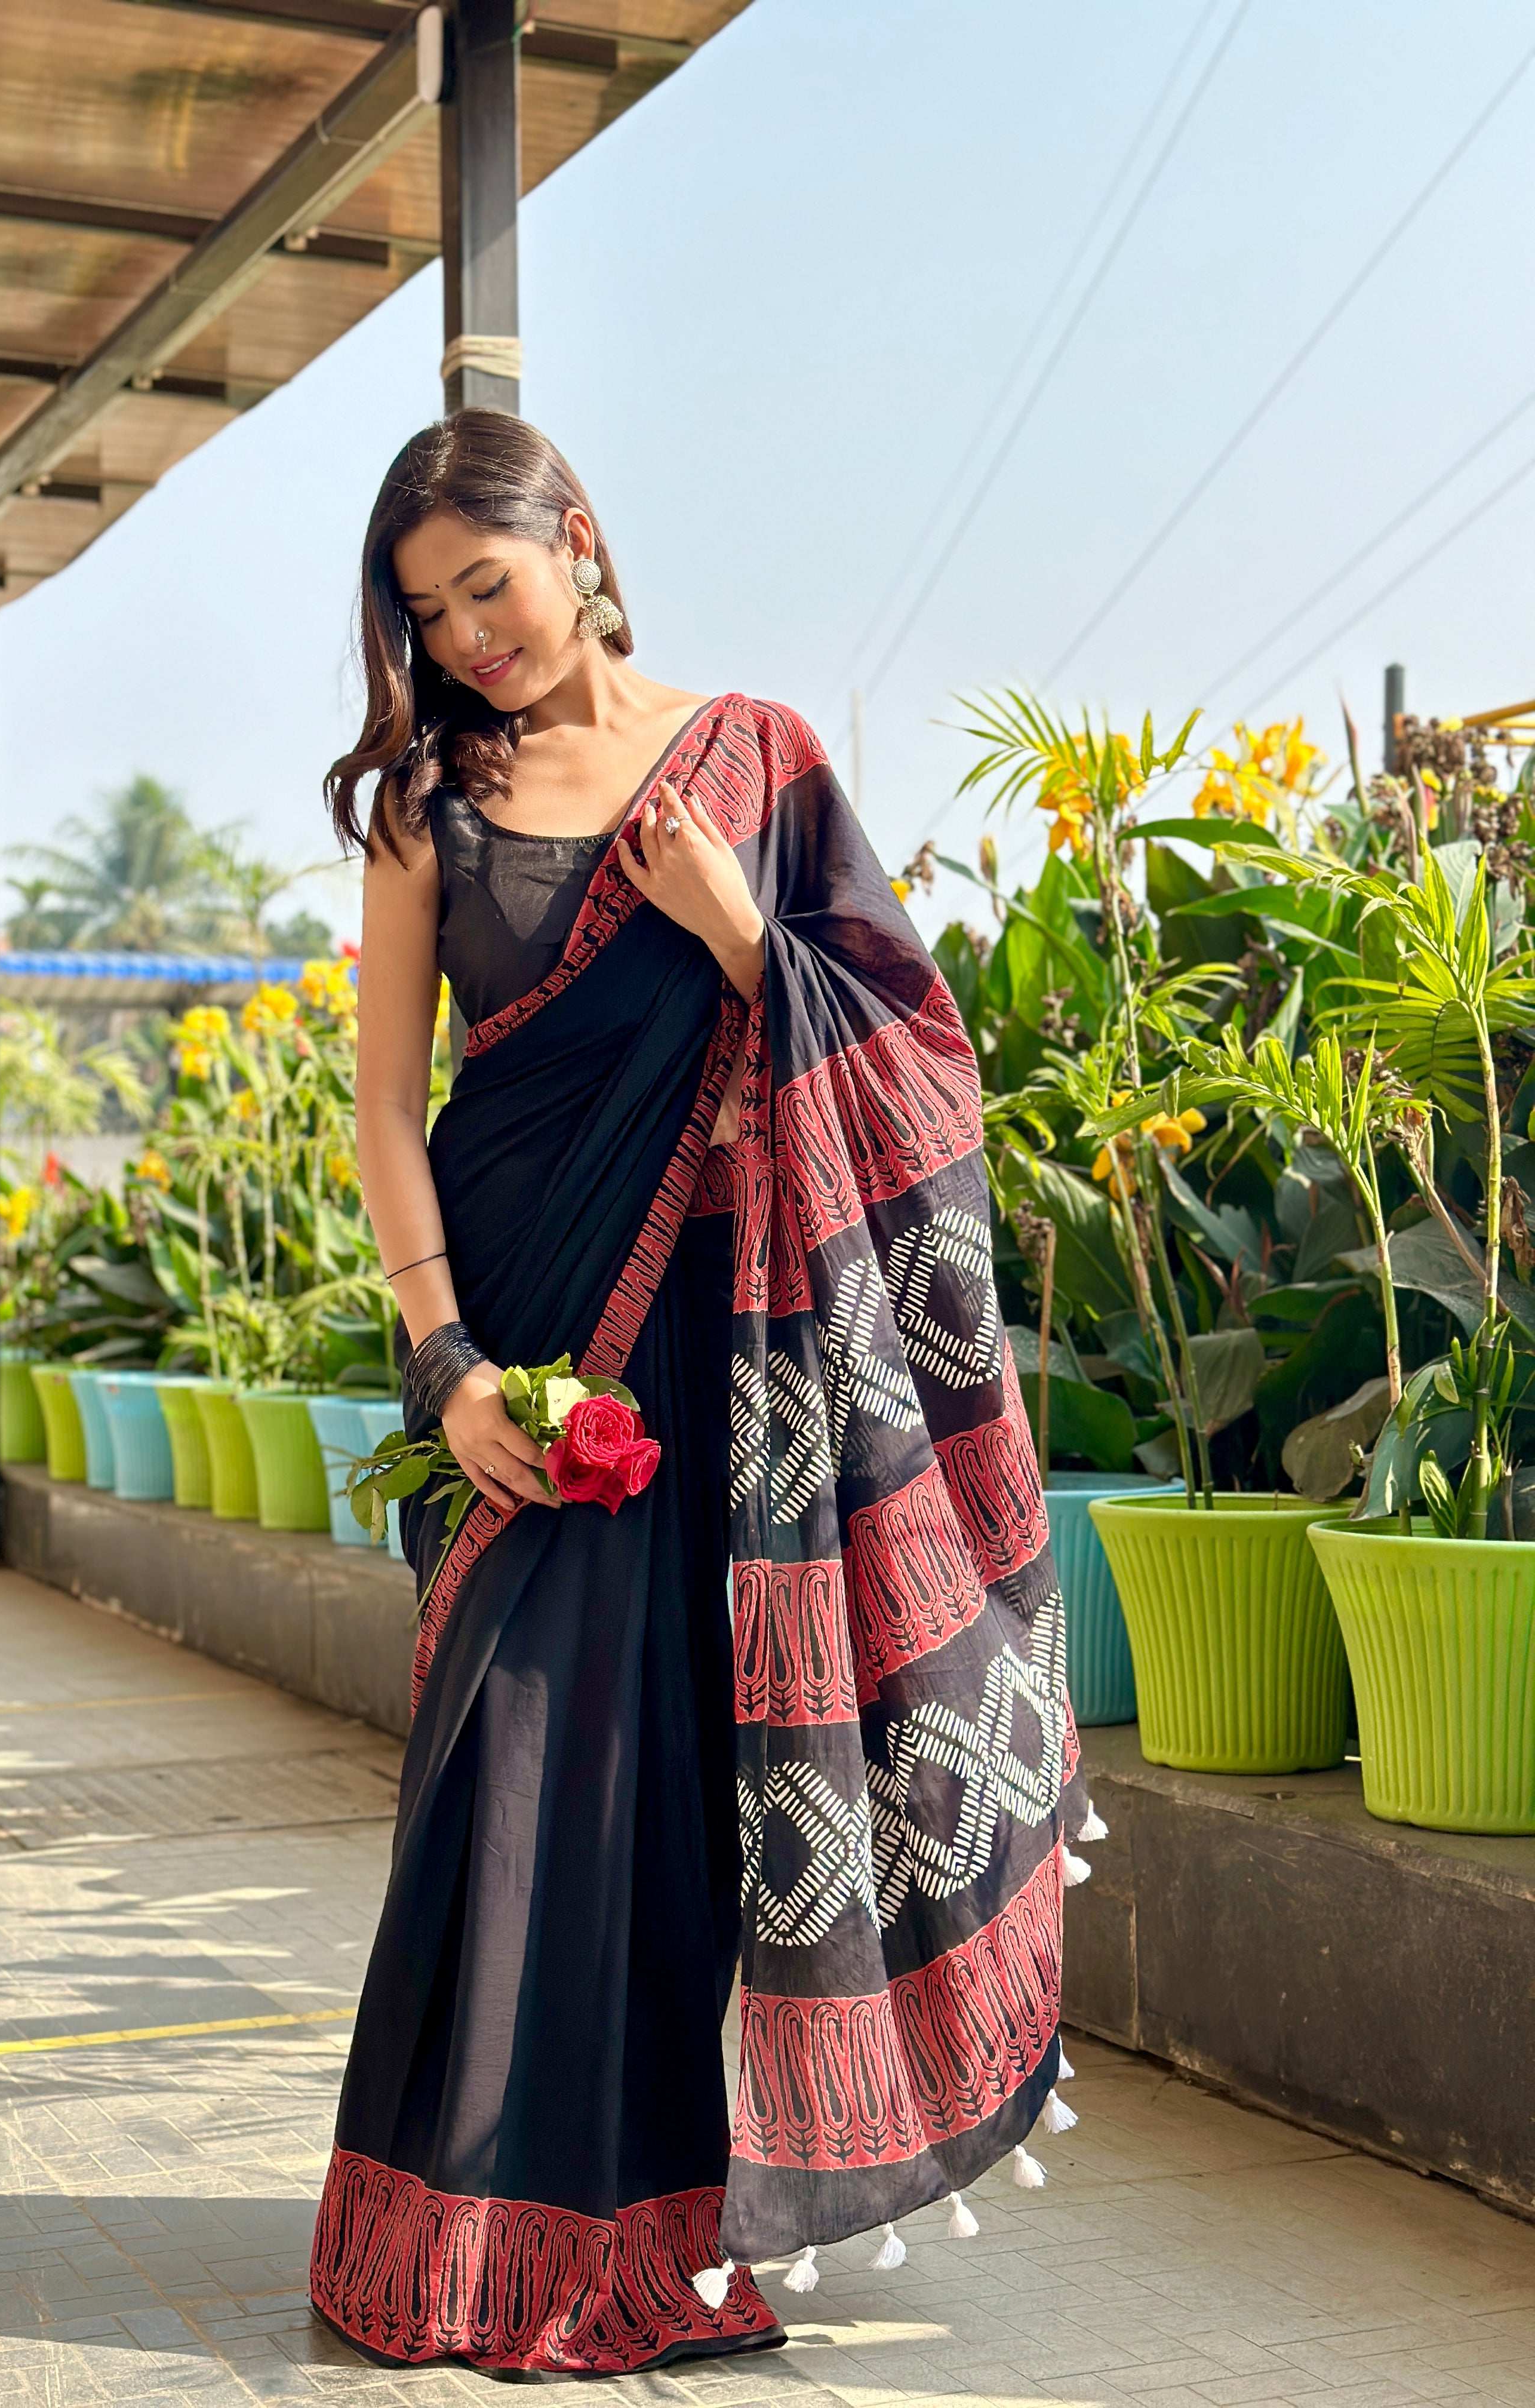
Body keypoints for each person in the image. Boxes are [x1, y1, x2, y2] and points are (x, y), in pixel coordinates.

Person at [307, 411, 1093, 2379]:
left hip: (727, 1364)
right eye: (428, 615)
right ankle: (446, 2235)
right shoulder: (432, 810)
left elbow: (918, 1056)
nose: (471, 635)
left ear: (575, 537)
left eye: (488, 581)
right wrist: (446, 1361)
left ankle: (644, 2243)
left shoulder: (759, 760)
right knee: (501, 1777)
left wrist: (742, 933)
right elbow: (387, 1116)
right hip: (518, 1349)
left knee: (668, 1788)